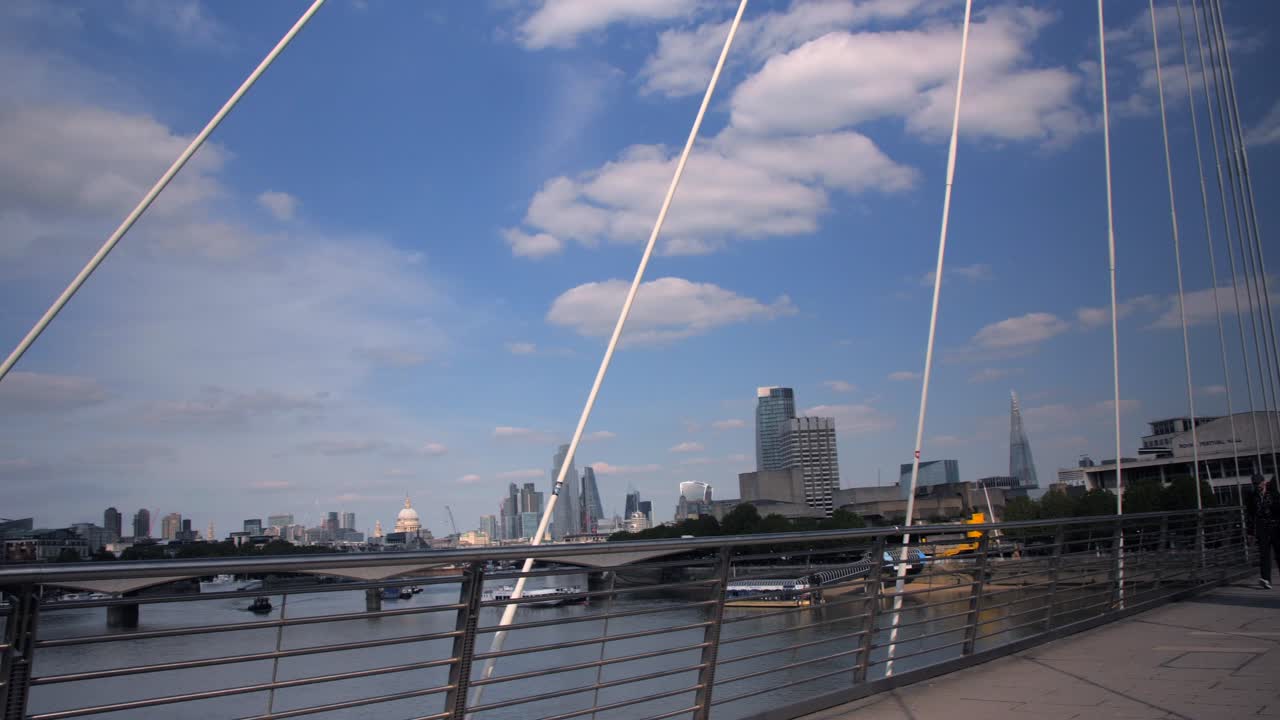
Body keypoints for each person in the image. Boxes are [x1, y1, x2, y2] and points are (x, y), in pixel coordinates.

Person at [1247, 473, 1280, 589]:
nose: (1257, 486)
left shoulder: (1273, 493)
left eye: (1258, 483)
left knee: (1279, 553)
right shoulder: (1252, 496)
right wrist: (1250, 532)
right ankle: (1266, 579)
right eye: (1254, 484)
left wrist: (1272, 507)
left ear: (1263, 482)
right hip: (1262, 528)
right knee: (1264, 554)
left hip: (1276, 526)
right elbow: (1250, 515)